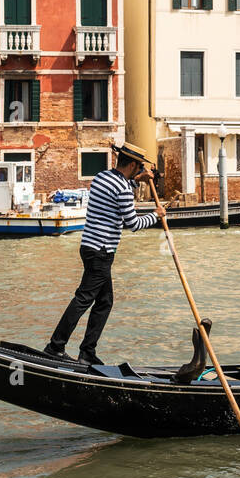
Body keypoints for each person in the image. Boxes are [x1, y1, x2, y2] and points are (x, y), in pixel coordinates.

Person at [46, 142, 166, 366]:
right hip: (101, 251)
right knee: (84, 299)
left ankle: (87, 352)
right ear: (132, 164)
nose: (140, 170)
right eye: (139, 167)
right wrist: (156, 215)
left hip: (89, 247)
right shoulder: (123, 189)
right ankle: (55, 346)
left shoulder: (101, 177)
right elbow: (132, 223)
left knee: (104, 301)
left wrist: (135, 179)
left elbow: (117, 187)